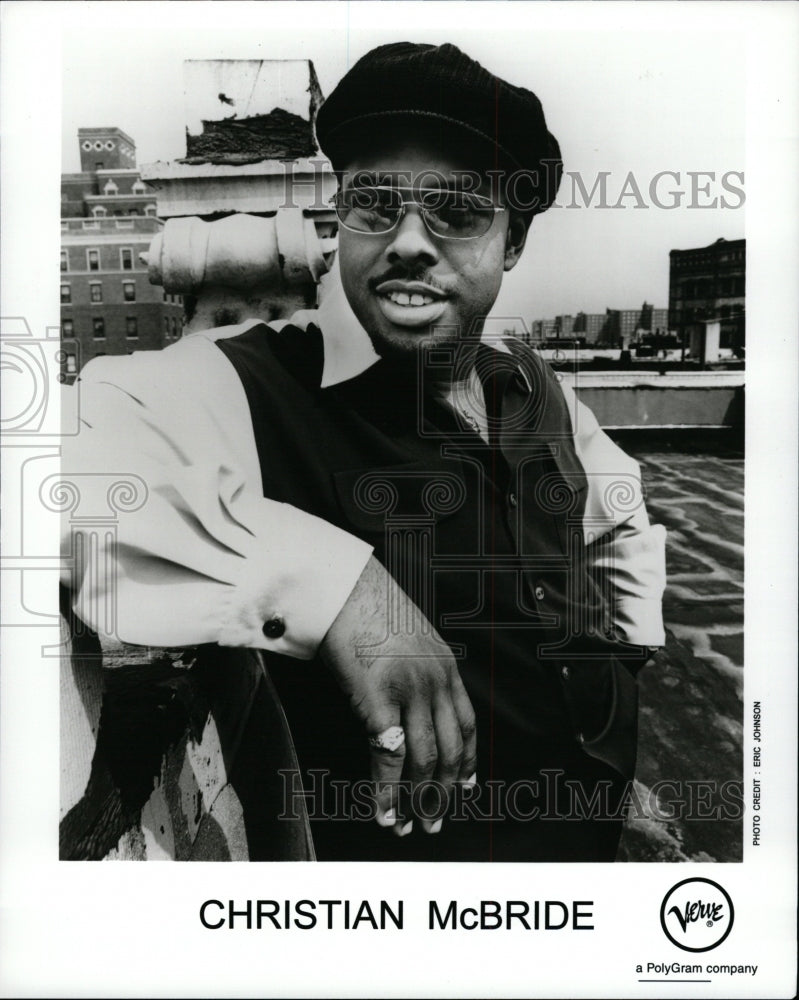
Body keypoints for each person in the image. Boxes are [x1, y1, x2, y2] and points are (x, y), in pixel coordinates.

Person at [61, 42, 666, 862]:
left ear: (511, 242)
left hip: (591, 845)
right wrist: (335, 586)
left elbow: (616, 517)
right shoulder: (250, 381)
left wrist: (620, 678)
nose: (409, 241)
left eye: (455, 213)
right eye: (375, 206)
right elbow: (52, 469)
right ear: (338, 220)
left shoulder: (530, 384)